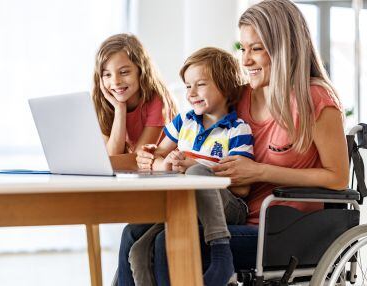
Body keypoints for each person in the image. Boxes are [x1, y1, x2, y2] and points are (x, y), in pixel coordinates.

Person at [141, 0, 350, 284]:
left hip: (281, 231)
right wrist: (161, 156)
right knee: (134, 232)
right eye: (243, 48)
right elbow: (196, 127)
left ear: (284, 48)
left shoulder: (315, 100)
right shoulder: (240, 96)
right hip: (229, 216)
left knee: (170, 240)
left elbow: (337, 178)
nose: (245, 60)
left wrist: (261, 171)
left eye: (256, 49)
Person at [119, 47, 254, 286]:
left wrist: (195, 166)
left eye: (200, 85)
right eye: (188, 86)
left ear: (225, 86)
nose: (191, 93)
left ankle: (221, 253)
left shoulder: (237, 129)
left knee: (197, 173)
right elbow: (155, 156)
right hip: (184, 204)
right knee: (138, 250)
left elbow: (242, 188)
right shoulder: (185, 121)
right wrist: (166, 164)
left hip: (227, 206)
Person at [92, 33, 177, 156]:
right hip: (136, 170)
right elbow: (112, 157)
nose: (115, 81)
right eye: (107, 75)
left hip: (167, 167)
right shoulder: (105, 103)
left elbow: (138, 157)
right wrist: (120, 109)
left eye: (124, 72)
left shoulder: (157, 100)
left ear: (141, 71)